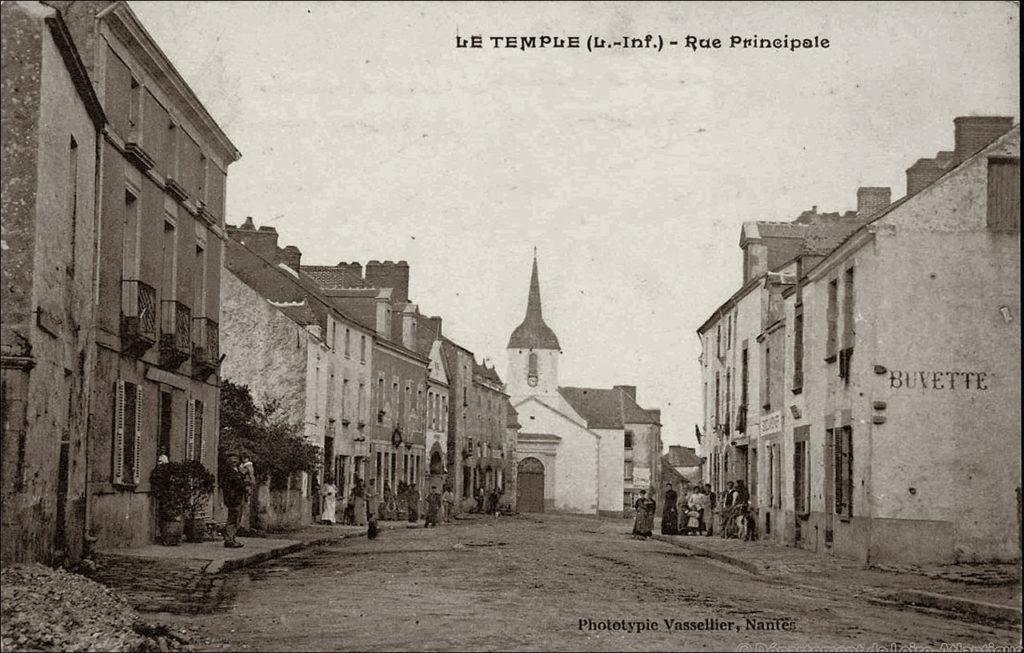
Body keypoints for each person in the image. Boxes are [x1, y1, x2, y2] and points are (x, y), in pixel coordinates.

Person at [221, 453, 247, 548]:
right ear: (228, 461)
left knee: (236, 519)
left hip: (238, 497)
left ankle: (231, 538)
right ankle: (229, 539)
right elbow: (237, 484)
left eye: (236, 459)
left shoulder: (237, 471)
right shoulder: (228, 472)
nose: (234, 461)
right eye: (232, 460)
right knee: (233, 518)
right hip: (233, 498)